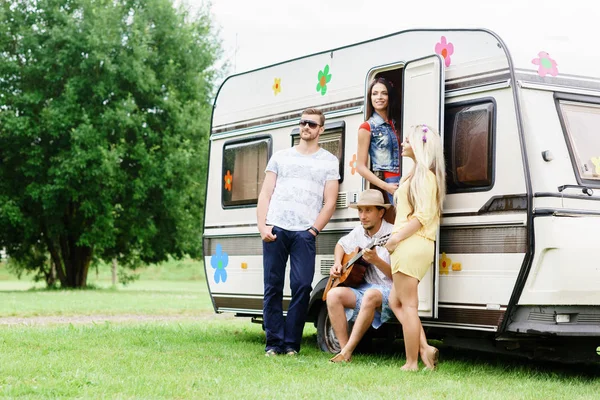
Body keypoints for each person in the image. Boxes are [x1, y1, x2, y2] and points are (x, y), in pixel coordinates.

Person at [257, 107, 340, 357]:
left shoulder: (329, 161)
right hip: (276, 228)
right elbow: (265, 193)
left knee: (302, 286)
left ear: (321, 130)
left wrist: (313, 230)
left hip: (305, 233)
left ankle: (292, 343)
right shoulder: (281, 157)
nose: (306, 127)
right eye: (303, 123)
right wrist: (263, 226)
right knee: (272, 286)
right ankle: (274, 343)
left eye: (312, 124)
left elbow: (330, 201)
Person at [384, 124, 446, 371]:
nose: (402, 144)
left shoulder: (423, 176)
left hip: (410, 244)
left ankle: (411, 363)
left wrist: (395, 239)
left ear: (419, 146)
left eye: (407, 141)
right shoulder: (416, 174)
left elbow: (421, 217)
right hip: (413, 245)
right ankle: (425, 349)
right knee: (395, 302)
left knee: (408, 305)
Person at [326, 189, 393, 363]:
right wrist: (337, 263)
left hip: (389, 291)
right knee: (333, 295)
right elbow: (341, 244)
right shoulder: (359, 232)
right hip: (365, 289)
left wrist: (377, 260)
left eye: (368, 210)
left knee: (370, 295)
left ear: (381, 212)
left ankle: (348, 351)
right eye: (360, 211)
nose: (363, 216)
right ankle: (343, 351)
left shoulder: (392, 235)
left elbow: (398, 276)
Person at [356, 77, 401, 204]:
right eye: (374, 94)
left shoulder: (398, 122)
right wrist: (386, 186)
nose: (379, 97)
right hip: (391, 180)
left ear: (389, 97)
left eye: (384, 93)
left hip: (408, 176)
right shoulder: (367, 127)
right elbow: (360, 167)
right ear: (370, 98)